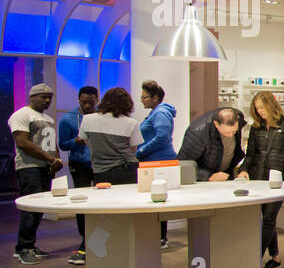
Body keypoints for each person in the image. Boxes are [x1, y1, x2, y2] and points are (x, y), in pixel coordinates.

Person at [9, 82, 62, 265]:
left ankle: (30, 244)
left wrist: (56, 160)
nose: (47, 100)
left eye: (50, 97)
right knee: (30, 209)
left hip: (45, 167)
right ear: (32, 97)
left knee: (39, 209)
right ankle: (23, 247)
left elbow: (51, 142)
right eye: (43, 97)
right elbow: (23, 142)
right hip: (29, 167)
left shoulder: (48, 118)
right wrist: (50, 159)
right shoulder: (21, 115)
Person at [236, 92, 284, 268]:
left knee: (268, 218)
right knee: (266, 217)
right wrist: (243, 170)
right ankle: (275, 256)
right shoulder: (256, 127)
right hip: (258, 176)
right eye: (257, 108)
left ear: (271, 105)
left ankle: (253, 259)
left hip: (278, 177)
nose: (259, 111)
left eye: (262, 107)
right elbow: (250, 154)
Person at [58, 86, 97, 265]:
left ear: (97, 99)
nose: (88, 104)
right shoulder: (68, 119)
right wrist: (77, 141)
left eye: (91, 101)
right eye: (84, 102)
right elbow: (63, 145)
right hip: (79, 165)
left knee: (101, 203)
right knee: (82, 202)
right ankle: (85, 240)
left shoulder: (102, 117)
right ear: (78, 100)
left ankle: (95, 241)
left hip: (99, 165)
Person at [138, 80, 177, 248]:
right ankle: (158, 236)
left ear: (155, 98)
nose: (142, 100)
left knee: (159, 198)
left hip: (160, 161)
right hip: (154, 160)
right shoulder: (156, 112)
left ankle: (161, 237)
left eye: (145, 97)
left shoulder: (160, 113)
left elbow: (162, 137)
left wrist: (141, 151)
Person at [79, 87, 143, 186]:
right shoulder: (131, 123)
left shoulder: (87, 119)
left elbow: (87, 142)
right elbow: (133, 149)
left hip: (99, 171)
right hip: (126, 170)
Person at [178, 107, 246, 182]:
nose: (231, 135)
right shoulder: (197, 132)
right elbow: (183, 164)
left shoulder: (237, 117)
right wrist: (209, 176)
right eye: (227, 132)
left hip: (226, 175)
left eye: (234, 132)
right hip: (205, 180)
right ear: (216, 124)